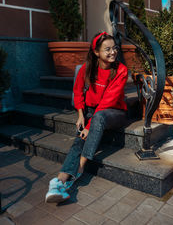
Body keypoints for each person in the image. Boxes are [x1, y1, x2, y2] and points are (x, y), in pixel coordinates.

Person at [45, 32, 128, 203]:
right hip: (91, 111)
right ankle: (58, 182)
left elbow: (108, 101)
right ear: (97, 52)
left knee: (95, 122)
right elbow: (77, 91)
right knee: (78, 140)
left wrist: (89, 125)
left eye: (115, 48)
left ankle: (79, 170)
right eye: (107, 49)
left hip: (114, 112)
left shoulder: (121, 70)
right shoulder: (87, 68)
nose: (113, 52)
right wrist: (81, 115)